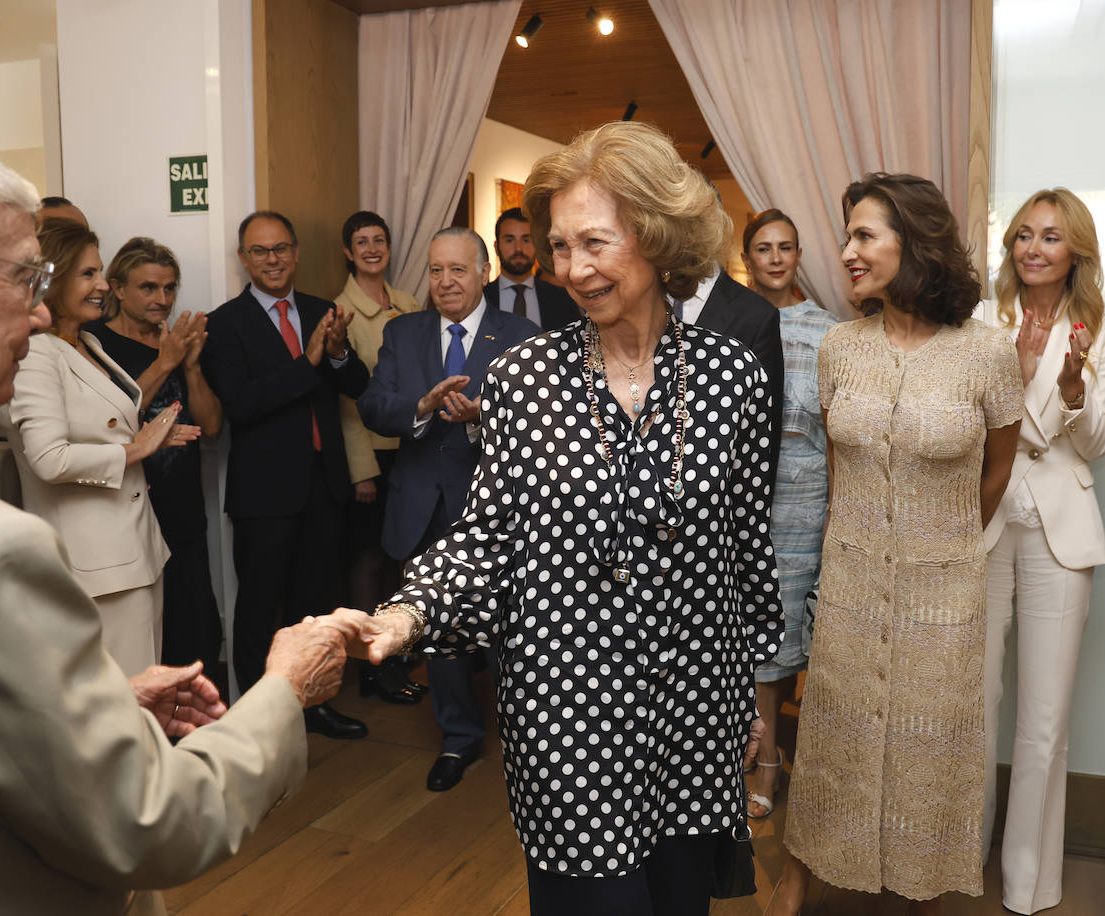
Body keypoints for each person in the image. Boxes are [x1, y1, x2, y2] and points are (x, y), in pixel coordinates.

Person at [0, 116, 359, 916]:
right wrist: (281, 690)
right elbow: (153, 821)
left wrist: (86, 706)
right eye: (24, 281)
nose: (41, 316)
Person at [340, 120, 781, 915]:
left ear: (657, 235)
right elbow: (486, 537)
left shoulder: (732, 377)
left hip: (695, 707)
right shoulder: (522, 379)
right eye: (561, 246)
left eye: (597, 243)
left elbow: (747, 545)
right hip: (567, 707)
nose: (574, 269)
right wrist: (406, 615)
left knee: (680, 901)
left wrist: (750, 691)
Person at [769, 172, 1023, 916]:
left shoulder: (986, 352)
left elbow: (998, 467)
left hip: (944, 590)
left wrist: (939, 546)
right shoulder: (840, 349)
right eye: (847, 236)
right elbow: (844, 474)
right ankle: (796, 879)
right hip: (849, 583)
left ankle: (925, 895)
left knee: (930, 747)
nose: (846, 251)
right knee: (832, 734)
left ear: (913, 242)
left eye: (863, 235)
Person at [975, 188, 1105, 915]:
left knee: (1042, 719)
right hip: (987, 515)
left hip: (1062, 525)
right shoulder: (980, 317)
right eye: (1024, 235)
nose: (1033, 247)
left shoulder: (1103, 324)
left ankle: (1028, 884)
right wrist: (1018, 367)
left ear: (1076, 252)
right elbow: (968, 421)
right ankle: (956, 859)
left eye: (1051, 237)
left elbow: (1098, 442)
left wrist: (1069, 390)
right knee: (976, 699)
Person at [357, 226, 540, 791]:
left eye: (458, 269)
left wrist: (486, 416)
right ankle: (458, 739)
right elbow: (373, 405)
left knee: (517, 629)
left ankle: (533, 745)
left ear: (483, 272)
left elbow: (548, 422)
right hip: (421, 504)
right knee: (439, 630)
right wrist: (422, 404)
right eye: (436, 270)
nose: (445, 281)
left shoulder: (523, 334)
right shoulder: (403, 333)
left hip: (498, 509)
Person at [0, 219, 199, 674]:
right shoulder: (35, 353)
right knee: (120, 706)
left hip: (135, 549)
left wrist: (151, 436)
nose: (102, 285)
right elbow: (49, 460)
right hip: (95, 564)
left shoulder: (85, 342)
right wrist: (138, 449)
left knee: (144, 698)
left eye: (100, 273)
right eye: (88, 274)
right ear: (50, 280)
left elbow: (103, 427)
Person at [202, 210, 371, 740]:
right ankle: (257, 722)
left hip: (324, 486)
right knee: (259, 610)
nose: (272, 260)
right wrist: (310, 361)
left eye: (280, 249)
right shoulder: (224, 324)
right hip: (265, 494)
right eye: (260, 251)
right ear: (243, 259)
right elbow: (243, 404)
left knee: (316, 611)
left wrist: (338, 354)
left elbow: (359, 385)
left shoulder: (324, 311)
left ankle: (314, 705)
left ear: (296, 253)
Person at [737, 209, 838, 820]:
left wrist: (837, 510)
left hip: (806, 502)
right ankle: (762, 758)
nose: (775, 258)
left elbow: (839, 431)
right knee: (747, 645)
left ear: (799, 255)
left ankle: (787, 761)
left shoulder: (830, 331)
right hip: (736, 503)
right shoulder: (725, 323)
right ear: (746, 258)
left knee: (794, 641)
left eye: (786, 248)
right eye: (763, 248)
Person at [87, 236, 226, 672]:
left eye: (169, 288)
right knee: (141, 639)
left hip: (182, 511)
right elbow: (111, 422)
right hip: (127, 512)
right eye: (148, 288)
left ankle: (191, 731)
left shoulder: (178, 344)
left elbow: (213, 426)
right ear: (118, 288)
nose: (161, 299)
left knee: (195, 633)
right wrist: (165, 362)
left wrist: (191, 365)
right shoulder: (93, 345)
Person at [333, 210, 425, 705]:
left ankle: (398, 654)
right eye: (361, 241)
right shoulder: (339, 311)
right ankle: (370, 669)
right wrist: (362, 470)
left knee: (403, 560)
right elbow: (349, 402)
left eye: (379, 240)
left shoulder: (408, 304)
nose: (371, 249)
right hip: (370, 456)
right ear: (348, 252)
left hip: (409, 451)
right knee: (368, 560)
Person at [668, 203, 783, 477]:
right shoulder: (644, 301)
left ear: (713, 227)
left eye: (691, 222)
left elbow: (762, 436)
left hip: (716, 496)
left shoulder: (756, 315)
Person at [484, 206, 580, 330]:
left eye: (526, 240)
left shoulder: (562, 299)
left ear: (536, 245)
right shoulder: (481, 298)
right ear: (496, 247)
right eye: (509, 240)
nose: (518, 248)